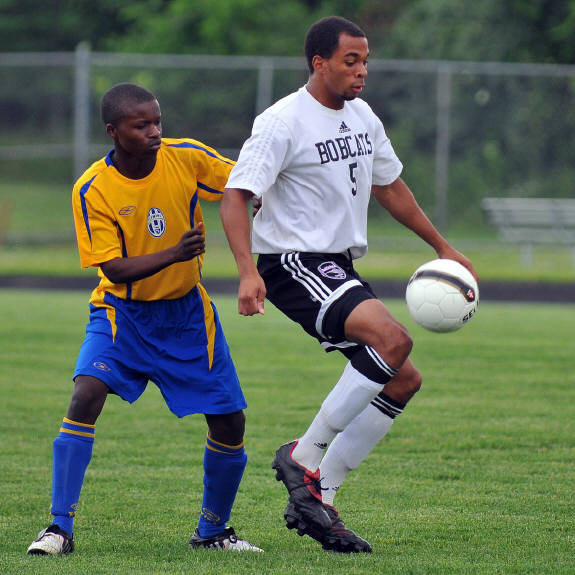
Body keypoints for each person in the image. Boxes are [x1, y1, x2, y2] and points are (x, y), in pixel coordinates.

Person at [220, 16, 478, 554]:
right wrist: (247, 271)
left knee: (402, 380)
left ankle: (322, 497)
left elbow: (390, 187)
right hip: (292, 263)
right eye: (350, 61)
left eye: (365, 61)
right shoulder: (282, 121)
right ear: (320, 63)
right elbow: (236, 195)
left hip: (335, 264)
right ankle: (303, 458)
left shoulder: (363, 116)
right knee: (393, 340)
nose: (361, 71)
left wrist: (442, 247)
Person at [27, 83, 262, 556]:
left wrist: (264, 195)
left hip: (188, 315)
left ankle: (213, 532)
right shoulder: (93, 188)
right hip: (122, 315)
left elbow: (244, 182)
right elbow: (113, 269)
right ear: (113, 131)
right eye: (142, 125)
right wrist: (175, 252)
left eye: (157, 121)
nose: (155, 131)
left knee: (229, 422)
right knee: (85, 394)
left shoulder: (186, 157)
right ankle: (58, 529)